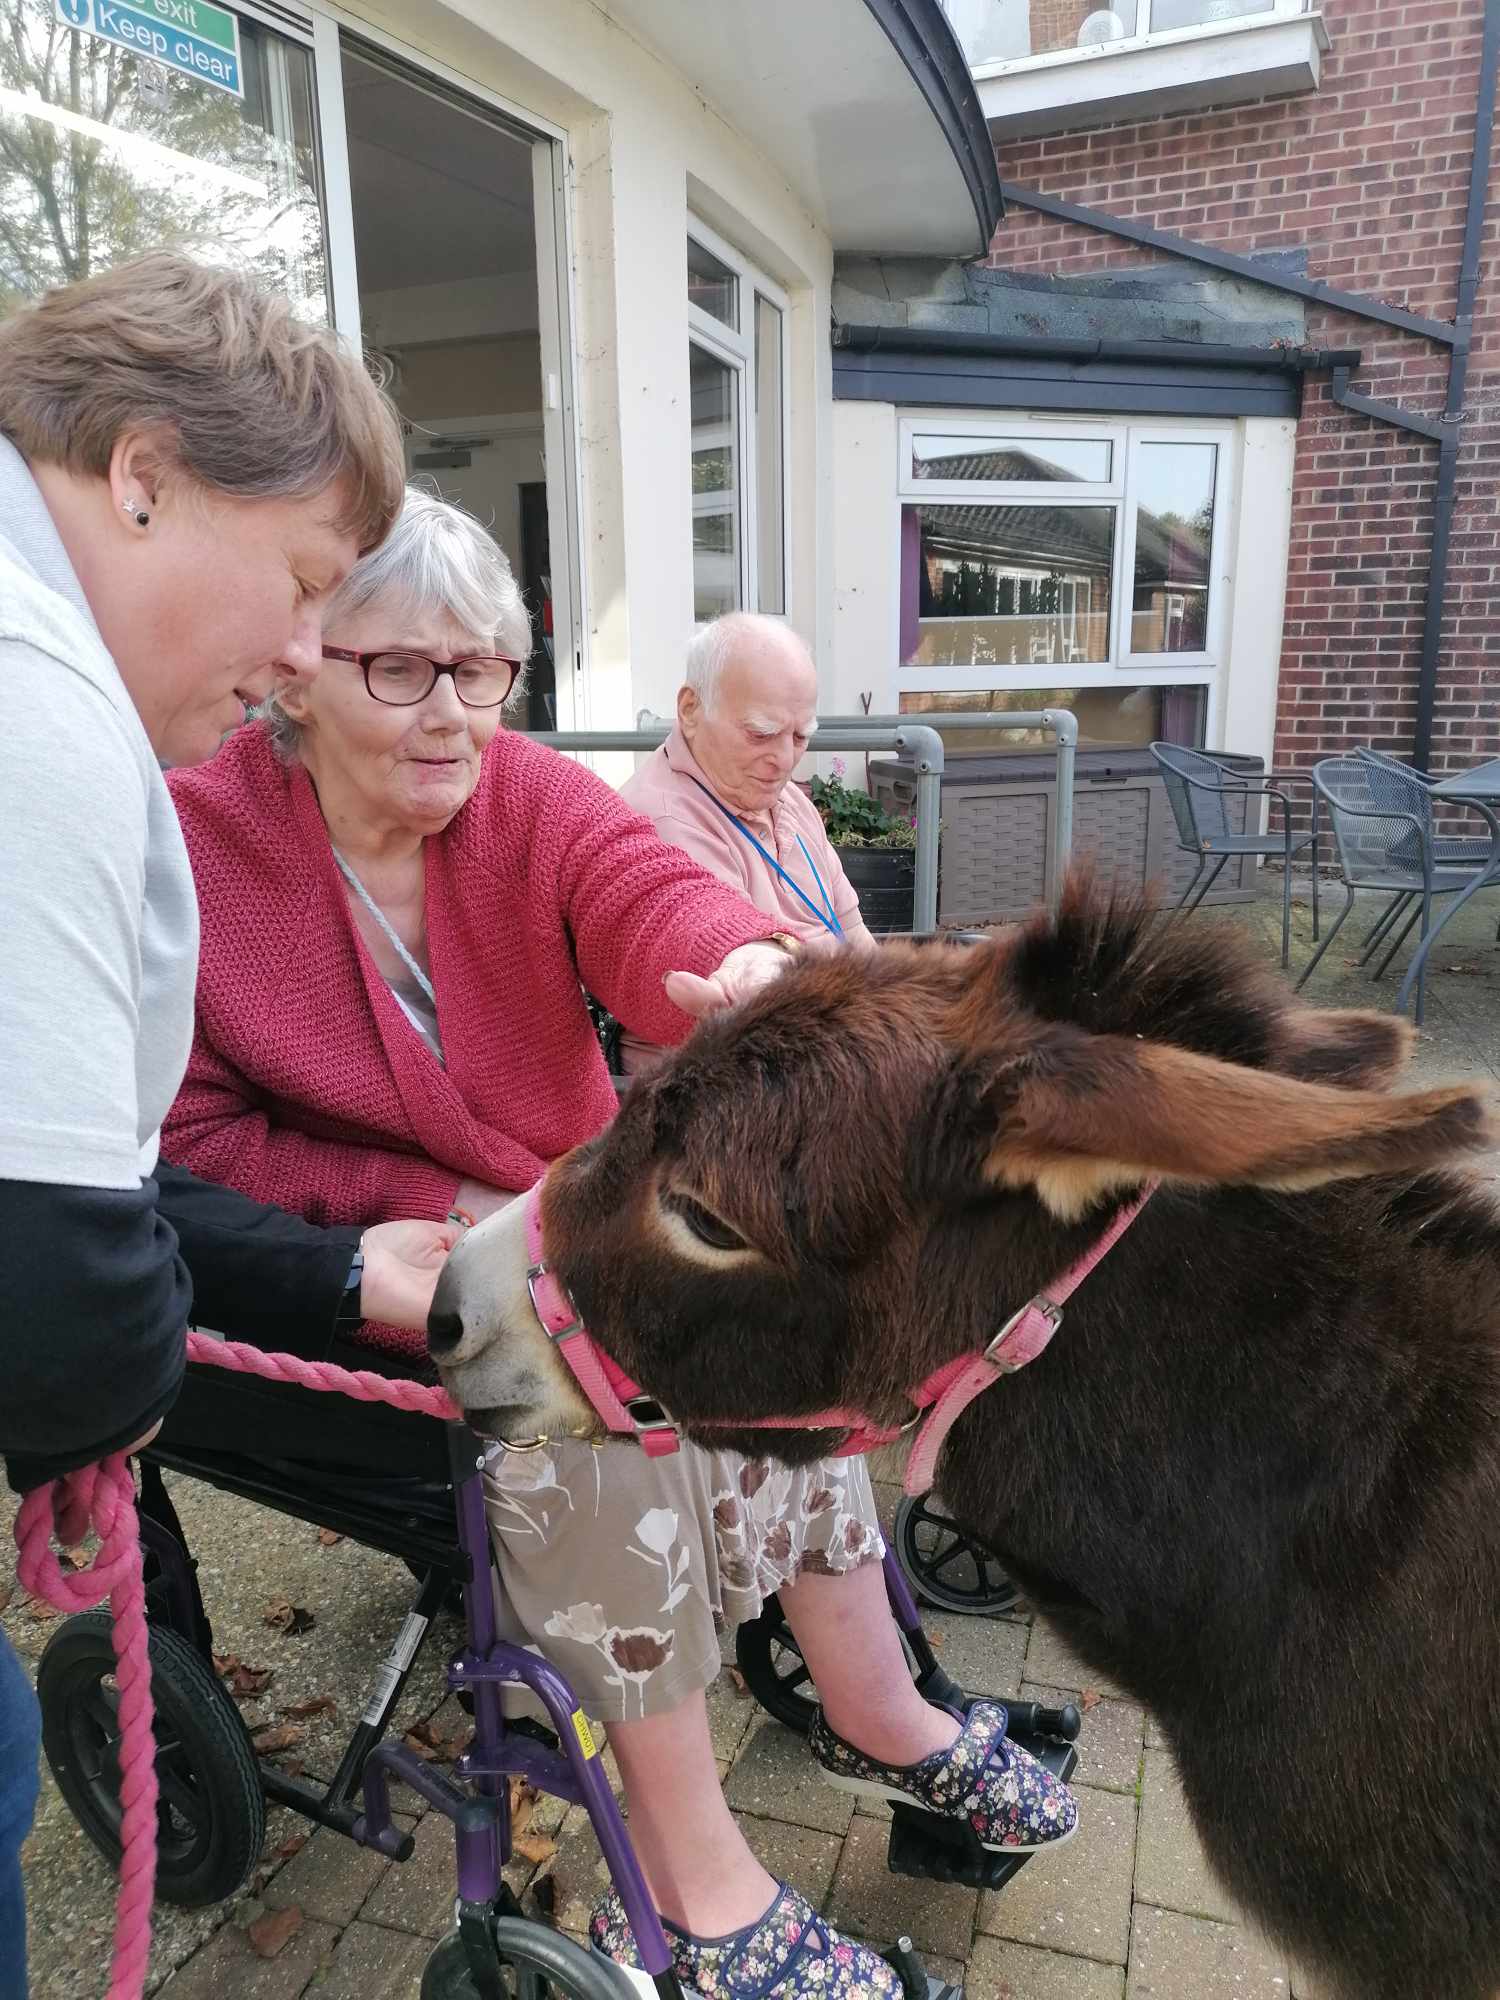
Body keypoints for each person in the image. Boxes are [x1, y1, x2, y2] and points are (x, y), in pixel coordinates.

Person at [162, 487, 1078, 1999]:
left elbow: (645, 891)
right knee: (596, 1414)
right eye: (405, 669)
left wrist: (744, 962)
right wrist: (426, 1209)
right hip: (361, 1277)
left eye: (484, 668)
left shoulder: (524, 798)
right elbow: (191, 1141)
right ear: (298, 667)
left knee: (758, 1330)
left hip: (555, 1231)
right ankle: (693, 1889)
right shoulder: (201, 847)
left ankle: (876, 1700)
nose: (454, 712)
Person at [0, 253, 458, 2000]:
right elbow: (57, 1279)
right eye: (305, 581)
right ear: (138, 473)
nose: (299, 652)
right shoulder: (38, 698)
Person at [617, 612, 874, 1075]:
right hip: (738, 1081)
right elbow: (752, 1011)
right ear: (691, 710)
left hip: (823, 1048)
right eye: (760, 734)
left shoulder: (785, 799)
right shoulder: (663, 822)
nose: (783, 760)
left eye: (800, 737)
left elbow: (855, 935)